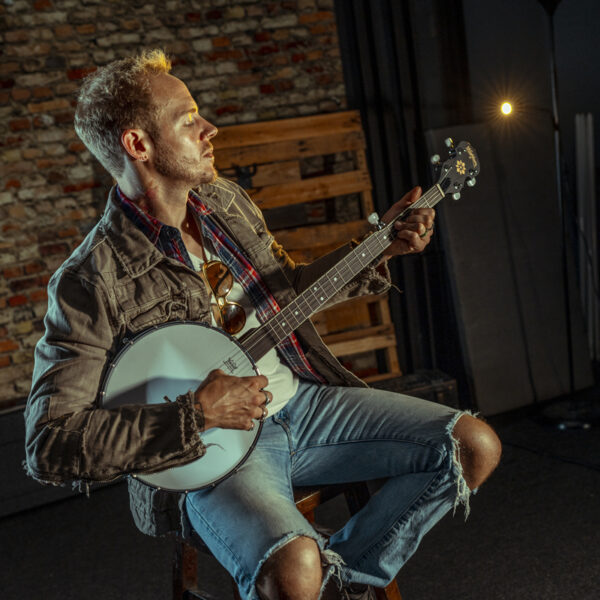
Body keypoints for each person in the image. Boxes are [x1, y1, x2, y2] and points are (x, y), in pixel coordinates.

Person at [24, 49, 501, 600]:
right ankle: (312, 579)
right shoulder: (90, 280)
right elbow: (50, 445)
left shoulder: (224, 201)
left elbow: (288, 294)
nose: (210, 129)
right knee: (294, 566)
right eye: (188, 120)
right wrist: (195, 413)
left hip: (303, 404)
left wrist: (379, 249)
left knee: (472, 445)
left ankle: (341, 583)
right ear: (138, 145)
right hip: (209, 453)